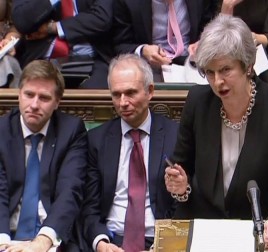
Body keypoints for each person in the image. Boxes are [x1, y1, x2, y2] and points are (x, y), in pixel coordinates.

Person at [165, 14, 268, 249]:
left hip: (255, 231)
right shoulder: (197, 102)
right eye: (209, 72)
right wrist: (180, 187)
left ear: (248, 65)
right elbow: (182, 171)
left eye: (225, 70)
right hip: (203, 226)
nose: (217, 81)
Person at [82, 54, 178, 251]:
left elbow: (184, 202)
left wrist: (166, 244)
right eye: (116, 95)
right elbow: (89, 207)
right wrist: (100, 243)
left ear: (150, 91)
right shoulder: (96, 140)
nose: (123, 102)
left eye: (130, 93)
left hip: (160, 241)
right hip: (112, 240)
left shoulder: (175, 136)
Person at [0, 60, 87, 251]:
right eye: (29, 95)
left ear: (57, 102)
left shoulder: (71, 131)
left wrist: (42, 241)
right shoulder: (2, 130)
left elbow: (70, 190)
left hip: (51, 238)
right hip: (7, 234)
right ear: (19, 94)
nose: (34, 105)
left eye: (44, 98)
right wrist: (3, 243)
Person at [11, 0, 115, 88]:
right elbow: (22, 21)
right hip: (42, 58)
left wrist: (54, 28)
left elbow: (101, 18)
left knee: (96, 90)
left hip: (91, 59)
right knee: (36, 91)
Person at [112, 0, 205, 81]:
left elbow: (210, 27)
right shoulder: (127, 2)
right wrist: (143, 50)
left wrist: (203, 43)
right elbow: (120, 45)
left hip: (193, 63)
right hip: (150, 67)